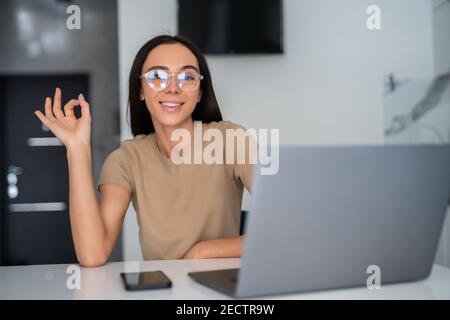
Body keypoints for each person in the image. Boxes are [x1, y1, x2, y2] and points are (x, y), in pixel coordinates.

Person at [34, 35, 254, 267]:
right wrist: (77, 149)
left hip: (217, 295)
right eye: (157, 76)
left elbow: (288, 223)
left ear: (199, 92)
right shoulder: (125, 160)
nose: (172, 88)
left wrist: (202, 253)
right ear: (140, 90)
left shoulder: (230, 140)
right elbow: (93, 254)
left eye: (187, 77)